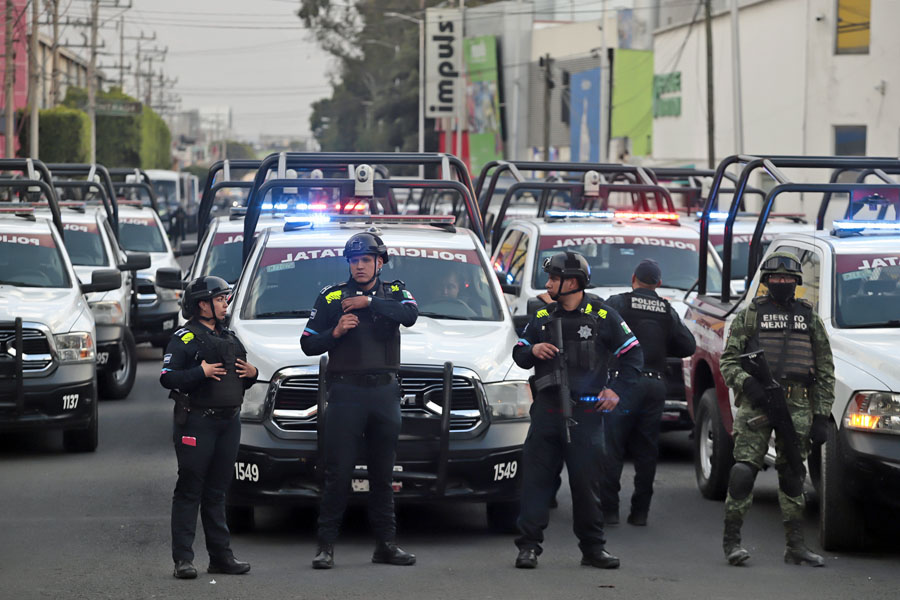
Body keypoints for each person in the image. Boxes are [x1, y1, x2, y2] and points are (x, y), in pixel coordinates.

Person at [512, 251, 643, 570]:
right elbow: (518, 353)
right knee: (536, 484)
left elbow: (633, 356)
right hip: (546, 413)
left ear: (572, 282)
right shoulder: (542, 317)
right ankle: (528, 547)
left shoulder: (602, 315)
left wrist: (616, 391)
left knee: (587, 487)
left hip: (585, 417)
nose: (548, 284)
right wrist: (532, 349)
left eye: (554, 278)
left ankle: (593, 549)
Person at [301, 231, 419, 569]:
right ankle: (326, 547)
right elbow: (308, 343)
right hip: (346, 393)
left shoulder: (394, 291)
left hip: (384, 393)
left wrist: (368, 303)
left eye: (366, 260)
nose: (360, 267)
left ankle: (386, 545)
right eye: (354, 261)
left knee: (383, 475)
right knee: (338, 473)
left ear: (379, 262)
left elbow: (410, 314)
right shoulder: (331, 297)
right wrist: (334, 332)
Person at [719, 251, 835, 567]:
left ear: (796, 282)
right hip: (757, 404)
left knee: (794, 473)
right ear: (767, 281)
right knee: (743, 471)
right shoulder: (750, 315)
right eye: (775, 278)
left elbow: (825, 369)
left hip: (798, 405)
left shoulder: (810, 317)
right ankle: (732, 544)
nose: (781, 283)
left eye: (787, 279)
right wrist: (747, 383)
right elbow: (728, 361)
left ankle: (795, 547)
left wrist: (822, 415)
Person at [159, 275, 258, 579]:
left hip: (229, 422)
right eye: (219, 299)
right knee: (190, 489)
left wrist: (252, 373)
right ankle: (183, 561)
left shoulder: (229, 337)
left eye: (225, 298)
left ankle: (221, 557)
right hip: (197, 422)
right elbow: (167, 377)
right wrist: (199, 372)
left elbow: (241, 375)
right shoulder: (184, 338)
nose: (225, 303)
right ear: (202, 304)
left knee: (217, 492)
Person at [602, 259, 696, 526]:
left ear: (633, 278)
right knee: (647, 450)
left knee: (612, 446)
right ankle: (640, 512)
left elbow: (598, 328)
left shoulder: (618, 302)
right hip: (655, 385)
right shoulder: (666, 309)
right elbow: (688, 345)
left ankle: (609, 511)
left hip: (623, 383)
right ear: (658, 283)